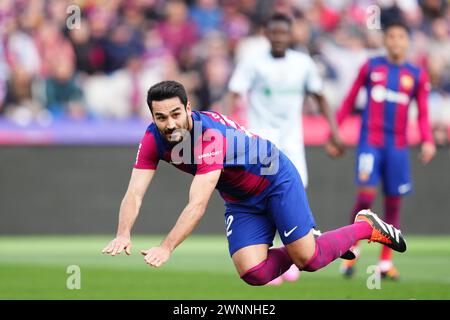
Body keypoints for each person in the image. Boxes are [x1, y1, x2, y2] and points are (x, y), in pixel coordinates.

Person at [102, 80, 407, 287]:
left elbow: (197, 204)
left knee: (309, 261)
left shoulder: (210, 138)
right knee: (253, 273)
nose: (169, 124)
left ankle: (366, 227)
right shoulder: (152, 138)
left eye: (175, 114)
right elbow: (135, 191)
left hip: (274, 180)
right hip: (240, 197)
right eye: (160, 117)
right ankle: (317, 241)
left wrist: (167, 247)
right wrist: (122, 233)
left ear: (188, 108)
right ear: (152, 116)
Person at [226, 13, 344, 284]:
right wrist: (228, 132)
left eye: (283, 33)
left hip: (291, 140)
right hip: (262, 141)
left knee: (295, 193)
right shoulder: (252, 62)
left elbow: (320, 95)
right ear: (266, 34)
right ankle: (270, 255)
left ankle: (290, 253)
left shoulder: (303, 63)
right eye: (274, 32)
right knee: (265, 196)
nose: (279, 37)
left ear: (291, 35)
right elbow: (234, 93)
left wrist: (334, 132)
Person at [332, 21, 436, 280]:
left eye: (401, 36)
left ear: (407, 41)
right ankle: (351, 250)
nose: (396, 41)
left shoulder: (416, 74)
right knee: (365, 197)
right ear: (385, 40)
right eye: (392, 36)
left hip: (398, 147)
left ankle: (385, 263)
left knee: (393, 203)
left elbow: (423, 113)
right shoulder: (371, 67)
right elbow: (349, 99)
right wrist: (333, 132)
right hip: (371, 143)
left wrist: (428, 140)